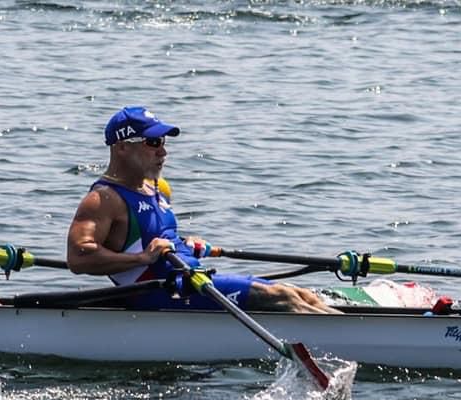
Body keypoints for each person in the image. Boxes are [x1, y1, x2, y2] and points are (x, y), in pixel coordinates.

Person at [66, 105, 338, 314]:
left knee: (300, 293)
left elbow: (151, 239)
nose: (163, 152)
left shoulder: (157, 188)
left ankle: (353, 333)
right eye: (152, 143)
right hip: (157, 293)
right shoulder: (103, 199)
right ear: (123, 148)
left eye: (163, 142)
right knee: (282, 297)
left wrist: (185, 245)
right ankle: (349, 344)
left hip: (189, 280)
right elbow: (78, 257)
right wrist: (140, 260)